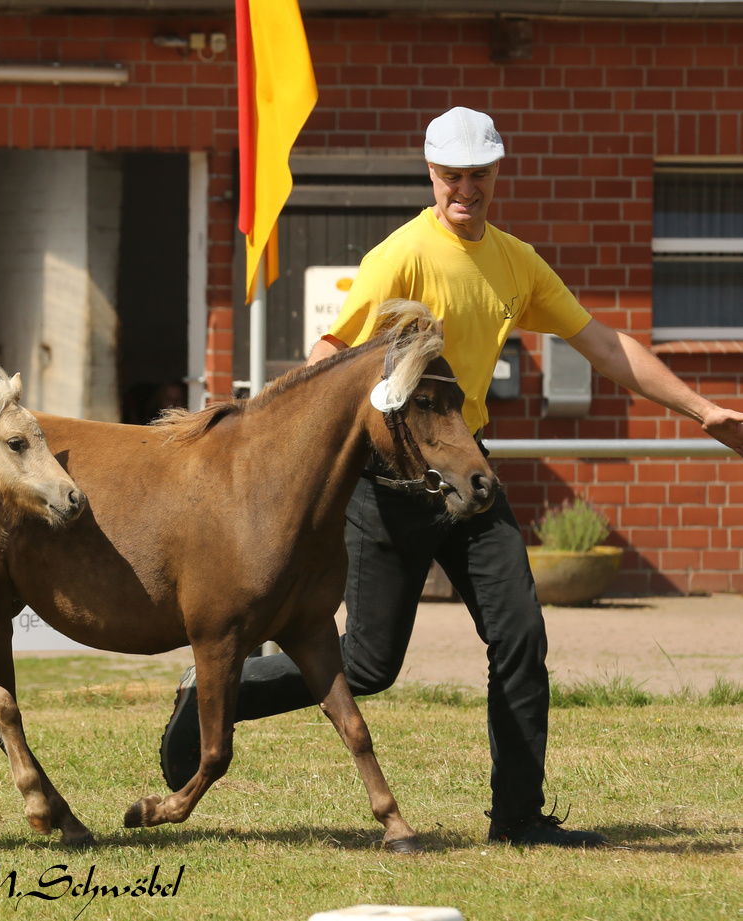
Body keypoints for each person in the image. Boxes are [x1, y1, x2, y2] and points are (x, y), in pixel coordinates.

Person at [158, 107, 743, 847]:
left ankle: (519, 819)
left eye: (477, 175)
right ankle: (208, 691)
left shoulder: (513, 261)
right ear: (430, 174)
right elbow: (328, 352)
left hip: (467, 474)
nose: (463, 189)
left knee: (520, 634)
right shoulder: (399, 257)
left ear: (496, 173)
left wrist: (702, 410)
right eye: (450, 176)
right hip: (389, 484)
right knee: (367, 663)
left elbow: (602, 344)